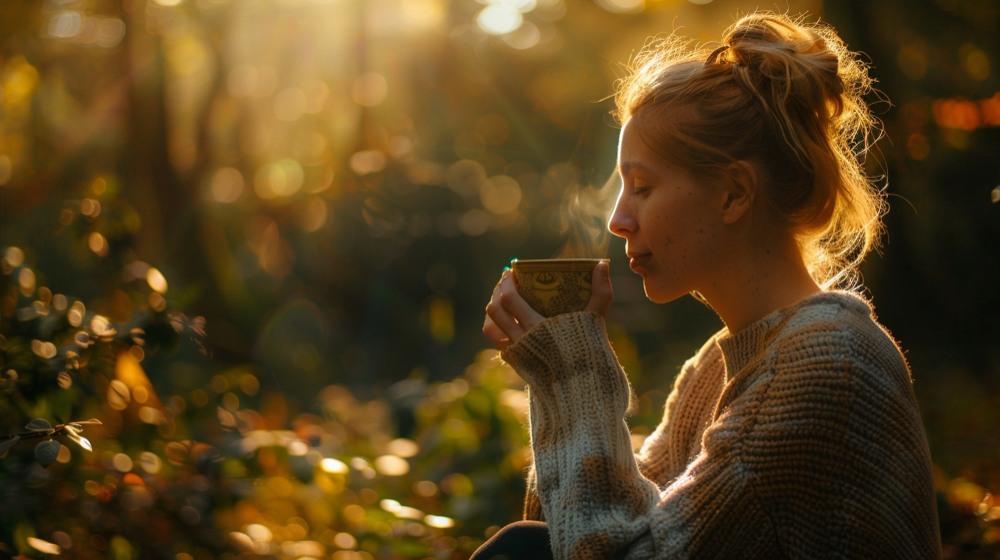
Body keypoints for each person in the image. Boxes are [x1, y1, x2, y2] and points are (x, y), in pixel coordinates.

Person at [478, 11, 942, 560]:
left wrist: (578, 376)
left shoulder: (828, 365)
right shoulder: (712, 373)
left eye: (643, 186)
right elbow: (571, 534)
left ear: (732, 193)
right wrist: (553, 381)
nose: (617, 220)